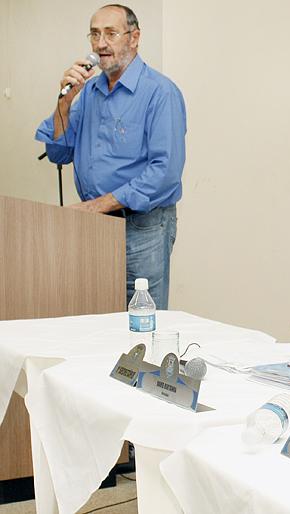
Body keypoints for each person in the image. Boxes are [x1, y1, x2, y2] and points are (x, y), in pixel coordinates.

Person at [35, 4, 186, 309]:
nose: (100, 44)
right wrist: (65, 102)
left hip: (142, 228)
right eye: (94, 34)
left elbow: (164, 172)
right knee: (98, 314)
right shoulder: (89, 92)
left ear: (134, 38)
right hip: (96, 227)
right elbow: (58, 154)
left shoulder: (160, 92)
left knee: (141, 320)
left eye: (110, 33)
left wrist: (96, 206)